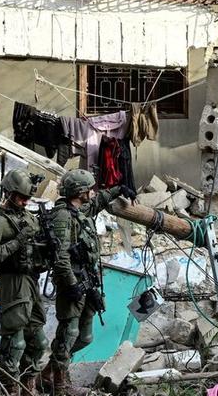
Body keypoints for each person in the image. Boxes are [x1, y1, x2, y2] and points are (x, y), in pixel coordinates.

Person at [40, 169, 134, 395]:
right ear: (80, 192)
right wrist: (72, 284)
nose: (92, 192)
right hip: (72, 284)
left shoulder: (79, 210)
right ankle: (59, 384)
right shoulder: (63, 216)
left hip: (88, 283)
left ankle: (48, 373)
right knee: (68, 334)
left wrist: (118, 189)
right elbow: (60, 256)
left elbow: (98, 201)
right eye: (89, 189)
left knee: (85, 337)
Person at [0, 170, 48, 394]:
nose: (25, 202)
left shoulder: (27, 216)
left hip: (31, 281)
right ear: (9, 193)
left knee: (38, 342)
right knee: (14, 343)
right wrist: (17, 242)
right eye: (21, 197)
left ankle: (28, 387)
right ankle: (8, 389)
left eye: (28, 198)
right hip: (12, 282)